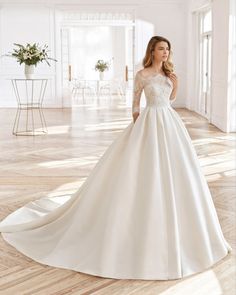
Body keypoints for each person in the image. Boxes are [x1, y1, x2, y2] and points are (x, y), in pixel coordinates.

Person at [0, 36, 232, 281]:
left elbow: (170, 100)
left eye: (168, 49)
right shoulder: (142, 75)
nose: (166, 53)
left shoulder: (170, 75)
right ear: (152, 51)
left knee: (180, 171)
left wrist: (176, 86)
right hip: (149, 123)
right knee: (141, 170)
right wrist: (138, 126)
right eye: (161, 49)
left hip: (170, 123)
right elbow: (135, 103)